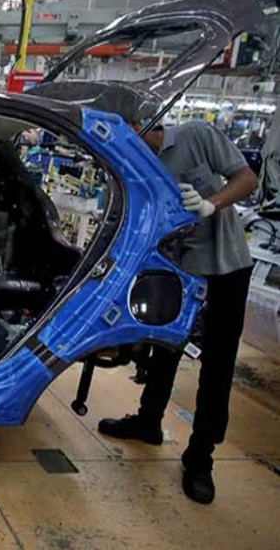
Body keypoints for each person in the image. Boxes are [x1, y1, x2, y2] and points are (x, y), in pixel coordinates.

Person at [98, 120, 258, 505]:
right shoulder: (135, 162)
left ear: (140, 123)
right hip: (178, 268)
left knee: (217, 364)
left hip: (225, 266)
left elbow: (247, 179)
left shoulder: (196, 136)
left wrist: (211, 203)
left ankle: (200, 459)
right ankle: (148, 421)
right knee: (164, 347)